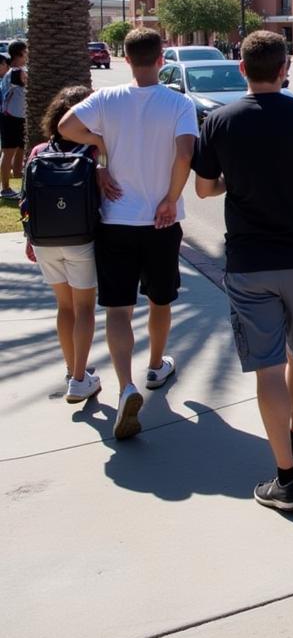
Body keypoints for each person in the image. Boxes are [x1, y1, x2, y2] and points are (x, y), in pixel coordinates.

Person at [193, 31, 293, 512]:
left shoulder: (219, 121)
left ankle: (286, 478)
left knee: (268, 368)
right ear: (285, 68)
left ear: (241, 68)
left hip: (249, 263)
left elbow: (203, 190)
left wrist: (233, 180)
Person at [60, 28, 198, 441]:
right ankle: (156, 365)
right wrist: (171, 199)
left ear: (124, 59)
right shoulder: (179, 103)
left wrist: (100, 147)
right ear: (161, 60)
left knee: (118, 310)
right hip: (161, 223)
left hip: (115, 220)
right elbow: (186, 154)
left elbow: (66, 125)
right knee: (161, 298)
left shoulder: (107, 99)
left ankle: (126, 386)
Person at [24, 85, 105, 403]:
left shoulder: (38, 151)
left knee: (65, 306)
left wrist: (30, 238)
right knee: (85, 307)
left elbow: (26, 199)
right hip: (82, 239)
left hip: (45, 240)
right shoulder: (94, 152)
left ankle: (73, 369)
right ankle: (80, 378)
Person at [1, 40, 28, 199]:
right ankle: (5, 189)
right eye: (26, 51)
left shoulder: (18, 70)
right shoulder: (16, 73)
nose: (28, 54)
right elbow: (28, 82)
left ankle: (18, 179)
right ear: (20, 53)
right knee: (8, 153)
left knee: (20, 151)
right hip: (10, 118)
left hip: (18, 118)